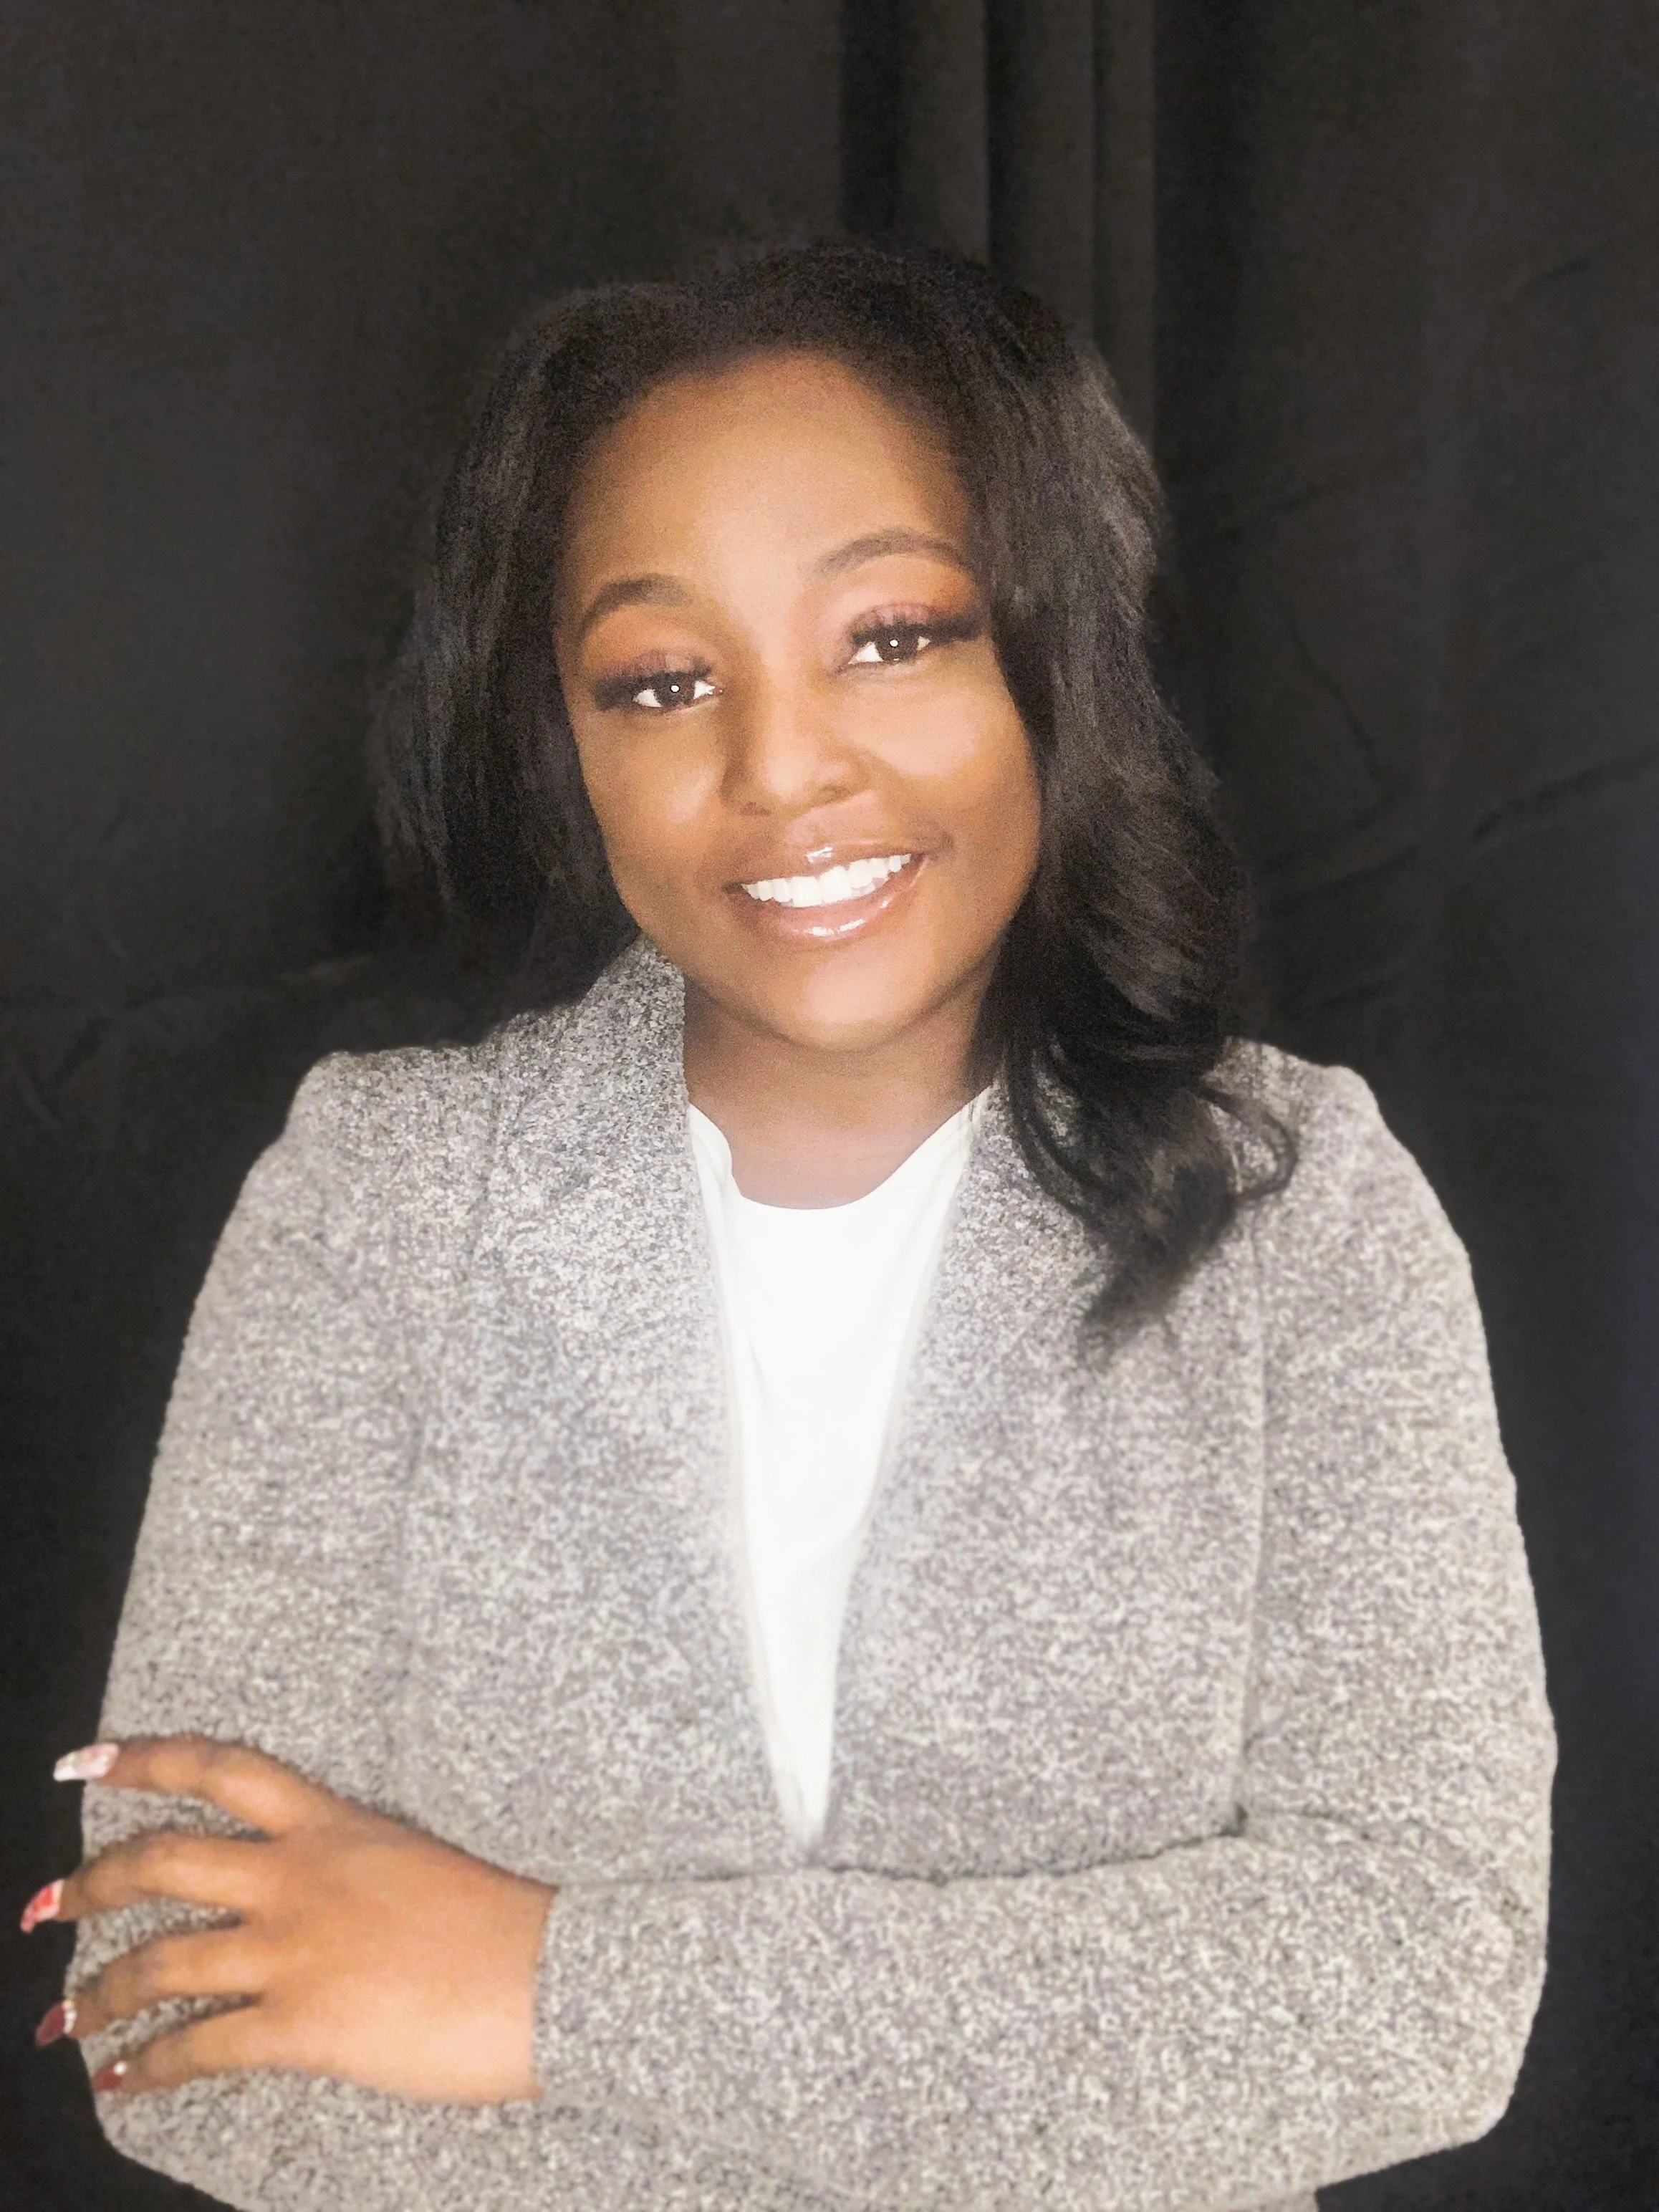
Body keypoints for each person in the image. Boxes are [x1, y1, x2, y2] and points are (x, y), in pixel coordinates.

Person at [26, 239, 1554, 2212]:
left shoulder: (1301, 1215)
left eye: (891, 636)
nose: (779, 769)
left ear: (1045, 657)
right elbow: (179, 2030)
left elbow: (1411, 1991)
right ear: (569, 748)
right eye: (661, 681)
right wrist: (1067, 2061)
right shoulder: (378, 1208)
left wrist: (537, 1986)